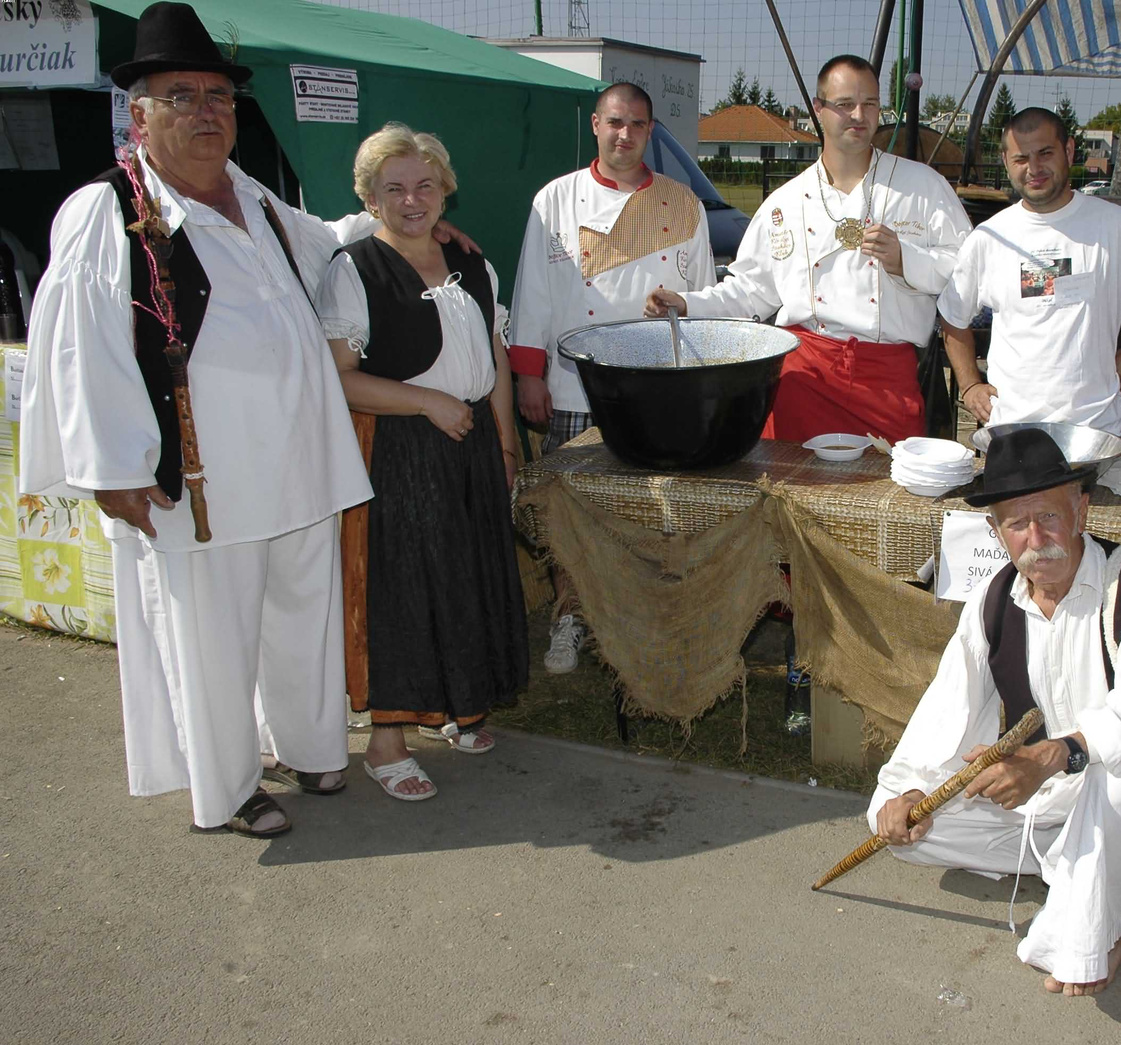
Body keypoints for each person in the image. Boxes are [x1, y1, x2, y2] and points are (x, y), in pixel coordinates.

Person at [18, 2, 377, 836]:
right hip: (201, 475)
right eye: (182, 96)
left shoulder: (255, 195)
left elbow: (333, 245)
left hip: (295, 460)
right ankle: (228, 786)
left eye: (218, 97)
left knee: (301, 608)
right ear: (139, 114)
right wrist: (113, 467)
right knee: (208, 636)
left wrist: (412, 225)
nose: (206, 113)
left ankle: (308, 742)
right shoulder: (108, 209)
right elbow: (78, 342)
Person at [869, 427, 1121, 995]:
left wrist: (1054, 755)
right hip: (1041, 801)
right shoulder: (994, 602)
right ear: (996, 533)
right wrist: (914, 791)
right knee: (899, 825)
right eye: (1016, 524)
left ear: (1081, 510)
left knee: (1119, 788)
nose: (1036, 538)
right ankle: (1080, 874)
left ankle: (1097, 931)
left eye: (1048, 516)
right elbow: (949, 705)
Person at [317, 123, 528, 801]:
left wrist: (506, 442)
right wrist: (424, 403)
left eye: (425, 185)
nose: (413, 199)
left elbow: (494, 357)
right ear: (370, 199)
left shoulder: (474, 264)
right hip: (398, 449)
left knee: (466, 577)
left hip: (469, 443)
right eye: (395, 188)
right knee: (402, 589)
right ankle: (386, 744)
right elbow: (338, 376)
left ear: (445, 191)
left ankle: (461, 709)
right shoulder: (355, 270)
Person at [645, 54, 970, 444]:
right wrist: (686, 304)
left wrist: (907, 261)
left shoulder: (923, 187)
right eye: (844, 104)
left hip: (887, 383)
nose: (858, 115)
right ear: (818, 110)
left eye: (869, 104)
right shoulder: (785, 203)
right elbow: (749, 292)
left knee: (884, 501)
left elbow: (968, 273)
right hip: (805, 376)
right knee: (791, 495)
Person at [508, 82, 714, 674]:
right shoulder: (556, 199)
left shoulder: (683, 203)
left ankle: (644, 617)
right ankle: (570, 615)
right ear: (596, 125)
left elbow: (703, 298)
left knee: (651, 509)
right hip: (575, 384)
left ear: (651, 132)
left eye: (639, 125)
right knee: (569, 512)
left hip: (656, 388)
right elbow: (533, 294)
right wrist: (530, 375)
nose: (626, 135)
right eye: (615, 123)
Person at [939, 108, 1121, 436]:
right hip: (1013, 434)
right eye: (1021, 158)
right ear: (1005, 161)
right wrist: (970, 385)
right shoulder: (989, 238)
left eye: (1045, 153)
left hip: (1097, 433)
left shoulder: (1118, 227)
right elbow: (953, 317)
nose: (1034, 168)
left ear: (1068, 150)